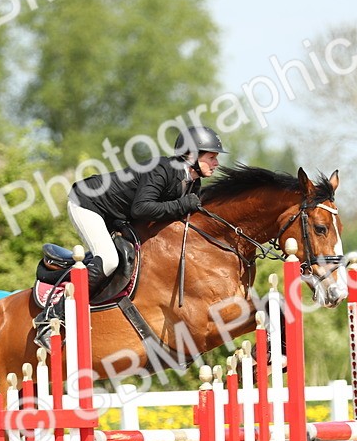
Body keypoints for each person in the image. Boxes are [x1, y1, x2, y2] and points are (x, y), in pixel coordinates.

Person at [34, 125, 227, 350]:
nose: (217, 164)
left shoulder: (193, 182)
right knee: (109, 260)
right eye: (212, 157)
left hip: (116, 215)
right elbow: (141, 209)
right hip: (88, 204)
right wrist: (183, 204)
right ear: (193, 155)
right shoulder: (163, 169)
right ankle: (50, 318)